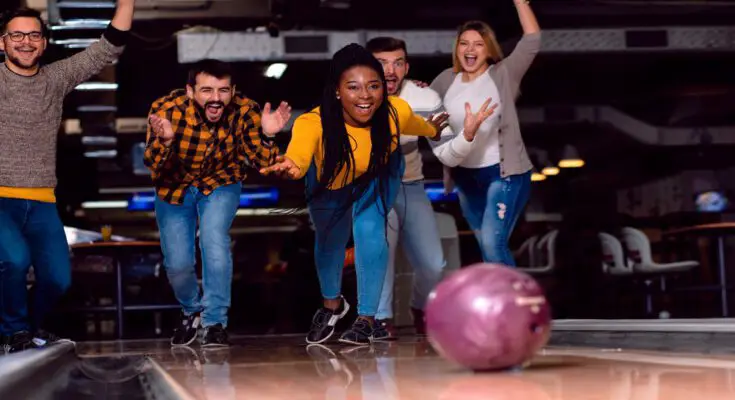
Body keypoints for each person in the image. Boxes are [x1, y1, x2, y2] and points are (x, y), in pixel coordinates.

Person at [260, 43, 449, 345]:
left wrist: (434, 130)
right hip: (328, 181)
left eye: (374, 86)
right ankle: (332, 306)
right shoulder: (313, 122)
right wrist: (288, 166)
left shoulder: (395, 111)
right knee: (330, 242)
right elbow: (297, 159)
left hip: (376, 175)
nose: (365, 96)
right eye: (354, 87)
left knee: (371, 234)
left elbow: (420, 125)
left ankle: (367, 319)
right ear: (337, 91)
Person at [0, 2, 135, 353]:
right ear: (2, 42)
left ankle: (22, 331)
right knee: (14, 260)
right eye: (16, 35)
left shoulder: (56, 79)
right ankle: (13, 330)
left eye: (33, 35)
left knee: (59, 279)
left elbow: (109, 46)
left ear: (44, 43)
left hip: (43, 200)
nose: (25, 42)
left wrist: (128, 3)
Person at [144, 59, 291, 348]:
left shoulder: (246, 110)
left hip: (221, 182)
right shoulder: (165, 110)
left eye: (223, 91)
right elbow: (153, 165)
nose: (215, 98)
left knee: (214, 241)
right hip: (174, 186)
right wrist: (167, 141)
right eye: (207, 90)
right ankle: (191, 311)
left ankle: (215, 322)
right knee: (178, 264)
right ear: (190, 91)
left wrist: (269, 134)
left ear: (232, 91)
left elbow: (262, 163)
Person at [365, 37, 498, 339]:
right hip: (371, 189)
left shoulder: (423, 98)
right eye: (382, 63)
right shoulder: (353, 96)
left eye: (398, 63)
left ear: (407, 67)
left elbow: (446, 152)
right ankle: (380, 319)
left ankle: (421, 308)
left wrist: (466, 135)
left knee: (433, 263)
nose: (391, 70)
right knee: (379, 254)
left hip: (411, 186)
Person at [430, 1, 541, 266]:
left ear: (488, 49)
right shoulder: (446, 80)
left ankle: (514, 305)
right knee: (485, 247)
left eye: (478, 44)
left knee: (493, 243)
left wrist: (520, 2)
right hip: (466, 178)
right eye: (464, 43)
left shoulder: (503, 74)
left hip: (503, 173)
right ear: (457, 49)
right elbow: (427, 115)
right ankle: (499, 303)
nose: (470, 50)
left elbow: (532, 39)